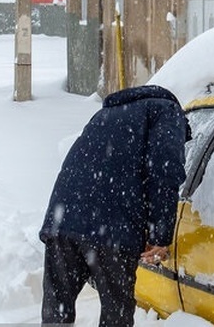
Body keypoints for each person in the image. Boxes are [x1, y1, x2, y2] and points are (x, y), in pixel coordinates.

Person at [39, 85, 188, 327]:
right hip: (112, 226)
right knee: (116, 311)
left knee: (57, 308)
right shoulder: (168, 111)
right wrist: (160, 235)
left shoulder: (107, 114)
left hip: (63, 219)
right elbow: (164, 172)